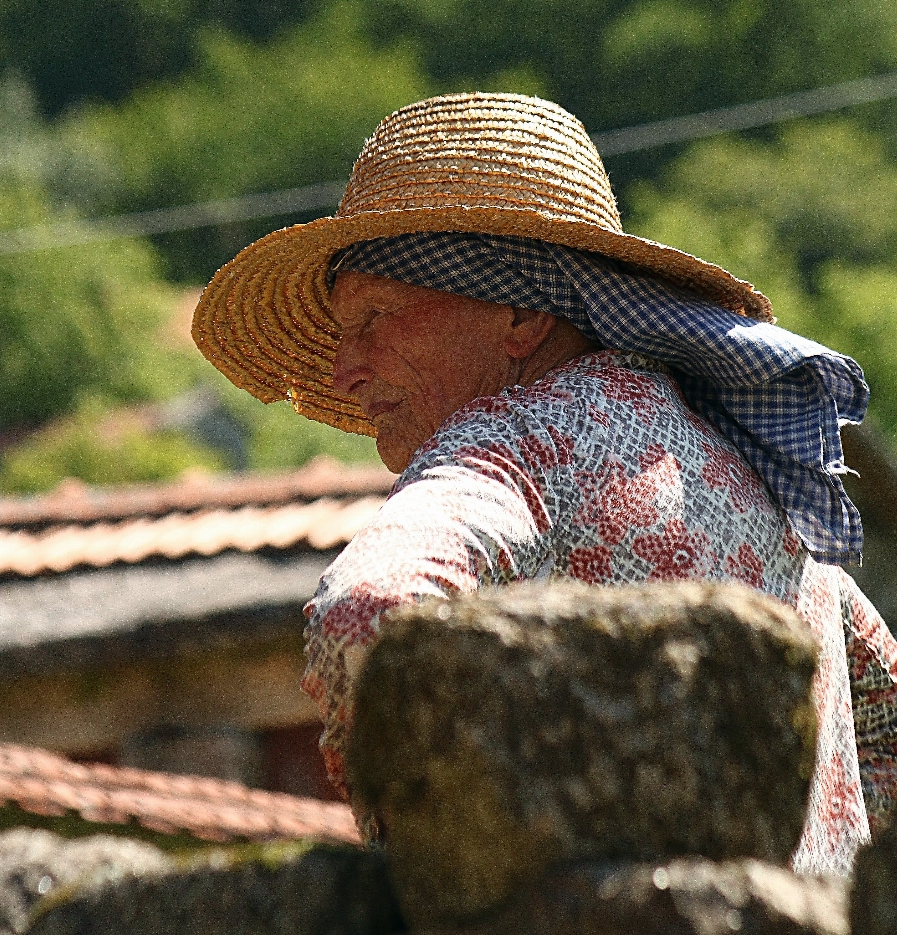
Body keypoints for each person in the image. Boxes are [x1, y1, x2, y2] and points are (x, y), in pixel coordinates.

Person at [193, 93, 897, 874]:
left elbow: (366, 613)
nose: (343, 369)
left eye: (375, 318)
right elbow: (883, 706)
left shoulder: (525, 437)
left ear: (523, 316)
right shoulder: (750, 459)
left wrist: (450, 869)